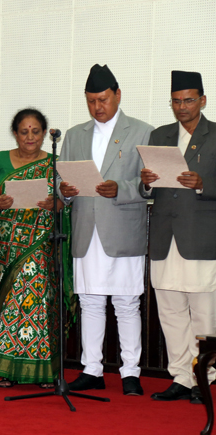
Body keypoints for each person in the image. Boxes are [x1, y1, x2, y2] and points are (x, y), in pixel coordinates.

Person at [60, 64, 153, 397]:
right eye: (91, 101)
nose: (97, 107)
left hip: (122, 230)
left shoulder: (142, 132)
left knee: (127, 303)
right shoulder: (74, 135)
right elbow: (60, 183)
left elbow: (149, 185)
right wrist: (64, 192)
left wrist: (121, 189)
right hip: (87, 231)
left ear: (118, 95)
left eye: (103, 99)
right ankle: (92, 370)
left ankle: (130, 373)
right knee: (90, 302)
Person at [141, 71, 216, 403]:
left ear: (202, 100)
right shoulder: (159, 135)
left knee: (203, 313)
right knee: (170, 311)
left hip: (200, 236)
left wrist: (203, 184)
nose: (182, 106)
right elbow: (147, 187)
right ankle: (181, 377)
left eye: (188, 100)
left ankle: (204, 377)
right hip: (164, 235)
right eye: (176, 101)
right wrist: (146, 182)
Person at [0, 108, 61, 388]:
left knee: (39, 305)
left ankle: (44, 372)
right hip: (8, 246)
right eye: (24, 132)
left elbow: (66, 201)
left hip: (40, 245)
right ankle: (9, 370)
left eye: (35, 131)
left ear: (45, 134)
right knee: (12, 305)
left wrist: (55, 203)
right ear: (15, 134)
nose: (30, 137)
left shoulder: (55, 163)